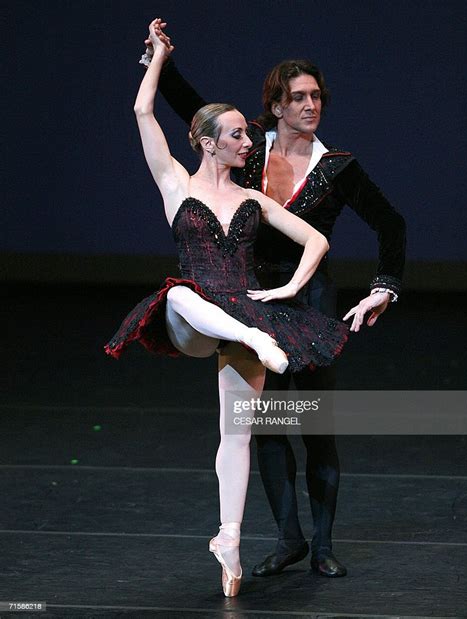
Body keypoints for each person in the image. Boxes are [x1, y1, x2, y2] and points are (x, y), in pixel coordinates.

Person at [144, 19, 407, 578]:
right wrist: (160, 60)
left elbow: (391, 223)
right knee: (261, 422)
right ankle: (287, 538)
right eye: (299, 97)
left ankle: (323, 543)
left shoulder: (338, 167)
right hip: (248, 295)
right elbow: (192, 110)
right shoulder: (249, 147)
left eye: (316, 96)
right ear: (276, 105)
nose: (311, 105)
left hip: (309, 299)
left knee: (315, 422)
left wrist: (383, 287)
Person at [105, 19, 349, 597]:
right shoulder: (176, 185)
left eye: (248, 134)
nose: (249, 142)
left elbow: (316, 240)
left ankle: (230, 543)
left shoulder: (254, 199)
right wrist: (159, 58)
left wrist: (290, 290)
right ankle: (259, 337)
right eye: (238, 135)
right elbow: (144, 115)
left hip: (244, 313)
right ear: (209, 142)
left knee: (236, 431)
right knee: (182, 292)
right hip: (192, 319)